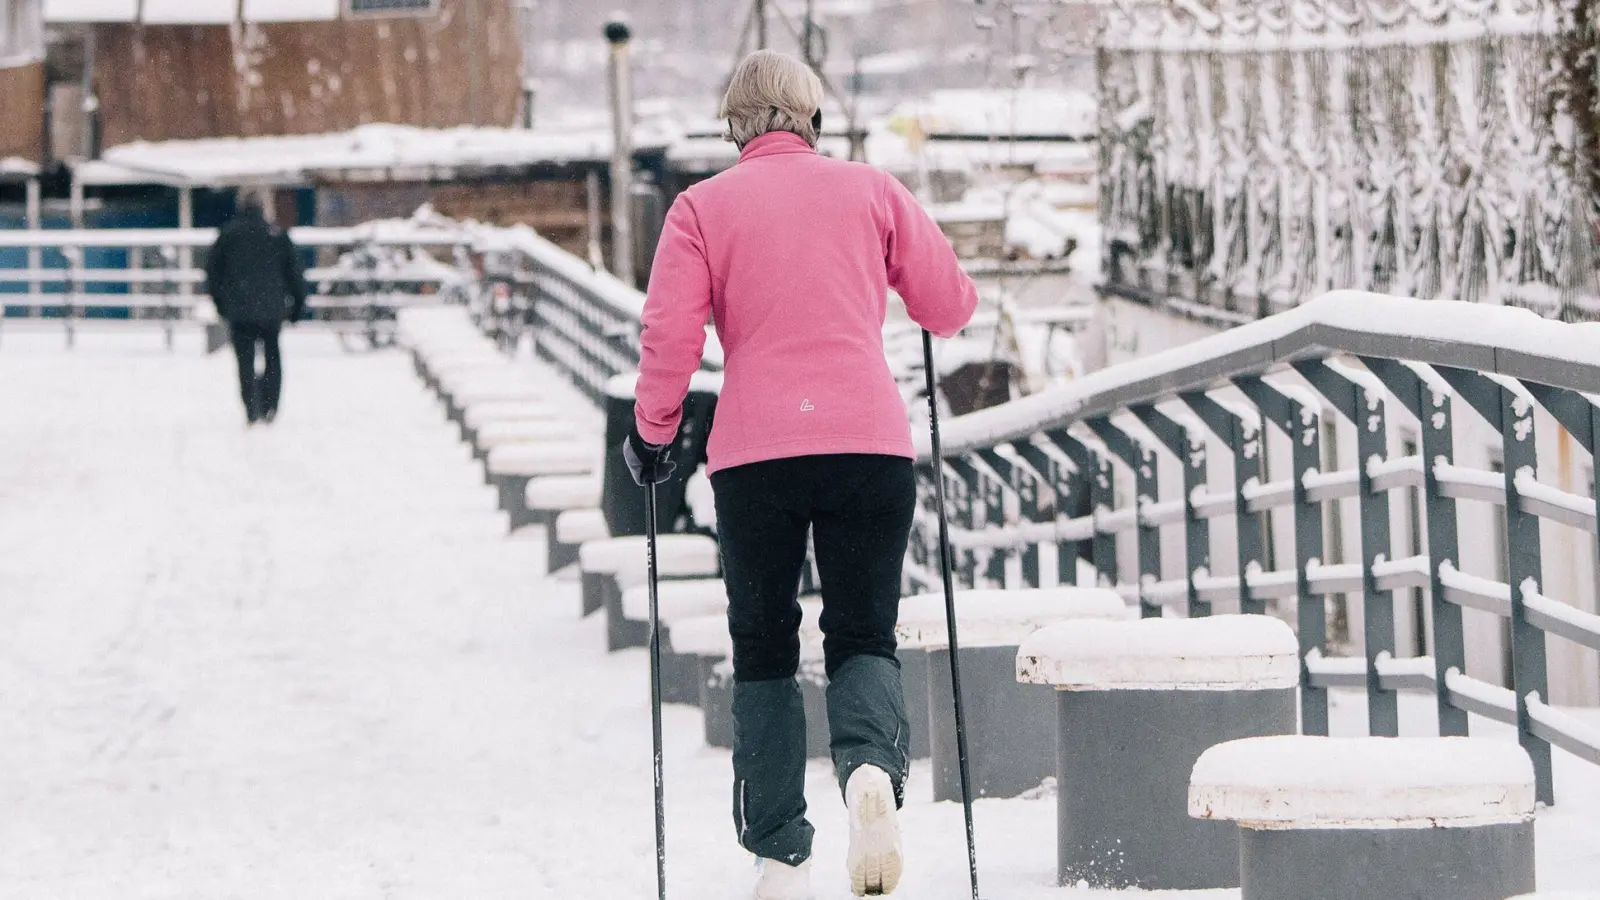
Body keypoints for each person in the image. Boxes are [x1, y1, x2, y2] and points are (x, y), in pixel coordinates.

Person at [624, 50, 978, 899]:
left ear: (733, 129)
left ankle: (781, 849)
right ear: (812, 119)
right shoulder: (872, 190)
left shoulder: (699, 208)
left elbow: (669, 339)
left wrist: (651, 437)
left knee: (764, 646)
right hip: (869, 445)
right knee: (862, 632)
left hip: (754, 458)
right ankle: (868, 776)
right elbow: (950, 307)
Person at [205, 192, 307, 425]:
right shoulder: (277, 235)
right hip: (272, 310)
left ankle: (251, 406)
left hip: (239, 311)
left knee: (245, 360)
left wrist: (221, 304)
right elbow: (295, 273)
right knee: (273, 355)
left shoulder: (229, 234)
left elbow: (213, 273)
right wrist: (297, 306)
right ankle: (270, 404)